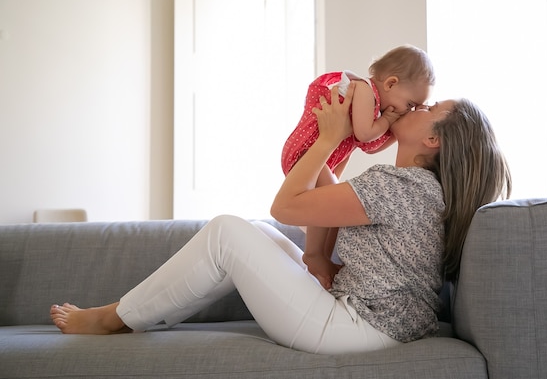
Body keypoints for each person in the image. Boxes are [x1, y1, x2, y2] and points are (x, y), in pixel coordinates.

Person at [50, 83, 511, 355]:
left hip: (356, 328)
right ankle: (139, 315)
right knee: (261, 236)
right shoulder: (418, 190)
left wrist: (328, 139)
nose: (415, 107)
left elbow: (287, 205)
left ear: (434, 141)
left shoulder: (399, 187)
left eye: (429, 110)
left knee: (228, 232)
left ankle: (115, 319)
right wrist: (331, 142)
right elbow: (328, 201)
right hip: (379, 324)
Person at [281, 44, 436, 285]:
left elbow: (370, 146)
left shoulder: (373, 104)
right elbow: (365, 135)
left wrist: (394, 128)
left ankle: (321, 255)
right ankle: (313, 254)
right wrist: (387, 119)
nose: (410, 111)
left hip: (322, 155)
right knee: (329, 196)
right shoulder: (364, 90)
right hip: (307, 150)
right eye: (410, 104)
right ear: (391, 83)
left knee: (331, 211)